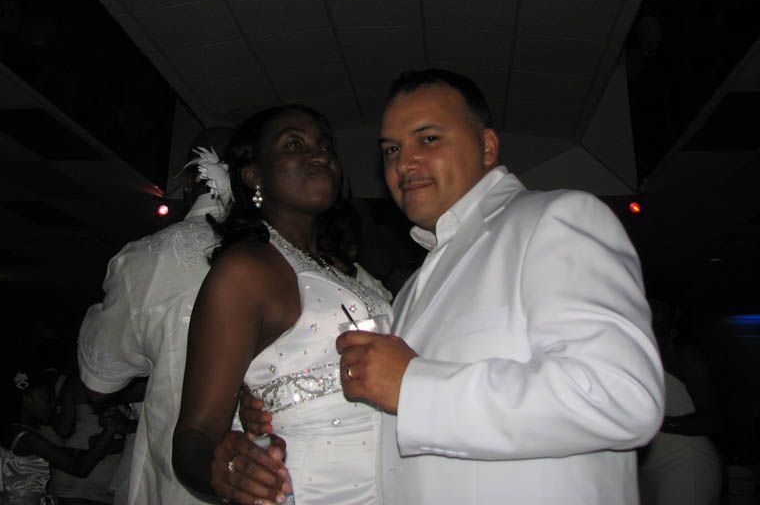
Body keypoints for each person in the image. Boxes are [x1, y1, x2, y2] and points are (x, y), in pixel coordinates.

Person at [239, 69, 665, 503]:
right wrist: (272, 410)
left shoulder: (555, 219)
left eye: (428, 139)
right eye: (391, 149)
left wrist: (414, 386)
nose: (403, 163)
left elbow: (622, 395)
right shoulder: (409, 292)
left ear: (487, 146)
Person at [172, 105, 392, 505]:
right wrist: (229, 470)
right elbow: (194, 436)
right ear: (254, 174)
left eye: (326, 146)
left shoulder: (344, 270)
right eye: (295, 144)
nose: (321, 154)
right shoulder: (245, 270)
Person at [76, 127, 234, 505]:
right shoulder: (290, 256)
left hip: (178, 482)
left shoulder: (146, 260)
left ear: (187, 180)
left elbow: (99, 381)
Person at [0, 369, 122, 505]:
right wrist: (109, 432)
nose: (53, 406)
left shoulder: (16, 430)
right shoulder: (26, 437)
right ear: (27, 399)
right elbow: (79, 468)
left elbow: (63, 454)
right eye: (47, 399)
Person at [639, 299, 722, 504]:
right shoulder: (638, 350)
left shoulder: (683, 352)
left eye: (660, 307)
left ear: (675, 315)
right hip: (647, 464)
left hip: (685, 459)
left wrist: (660, 423)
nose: (654, 312)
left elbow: (712, 419)